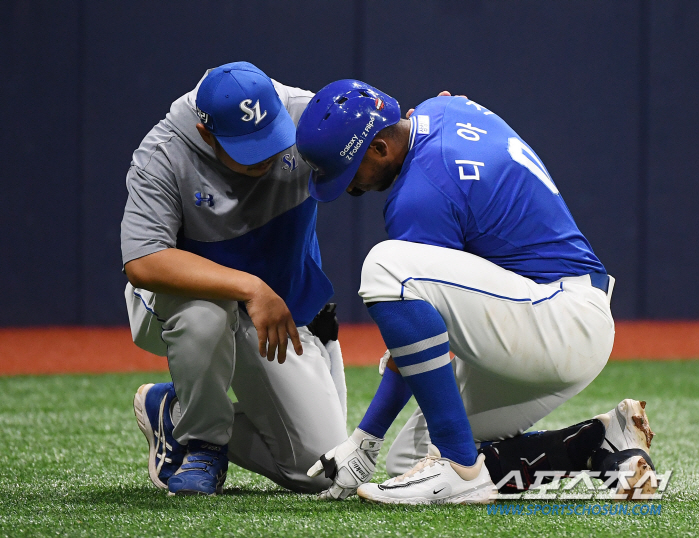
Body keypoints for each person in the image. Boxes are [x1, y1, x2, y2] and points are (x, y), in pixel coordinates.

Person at [295, 80, 657, 504]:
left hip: (557, 320)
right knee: (409, 460)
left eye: (348, 169)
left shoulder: (417, 198)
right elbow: (421, 333)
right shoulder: (442, 110)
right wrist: (370, 441)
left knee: (385, 267)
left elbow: (414, 319)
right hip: (546, 310)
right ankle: (597, 442)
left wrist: (366, 437)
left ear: (379, 148)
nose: (348, 187)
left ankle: (459, 465)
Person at [121, 62, 348, 496]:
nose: (265, 155)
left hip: (276, 311)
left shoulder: (307, 115)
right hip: (185, 303)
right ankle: (200, 442)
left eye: (270, 139)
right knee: (206, 314)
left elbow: (380, 135)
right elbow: (145, 261)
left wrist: (430, 121)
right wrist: (250, 287)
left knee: (323, 472)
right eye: (249, 149)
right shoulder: (164, 153)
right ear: (208, 135)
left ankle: (170, 410)